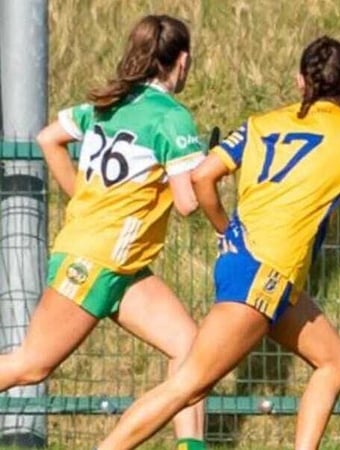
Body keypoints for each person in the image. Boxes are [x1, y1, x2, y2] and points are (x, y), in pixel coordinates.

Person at [96, 35, 340, 450]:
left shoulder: (260, 124)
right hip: (265, 274)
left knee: (335, 362)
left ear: (300, 80)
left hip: (256, 268)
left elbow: (203, 176)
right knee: (188, 386)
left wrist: (223, 227)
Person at [0, 14, 208, 450]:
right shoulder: (171, 118)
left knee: (191, 350)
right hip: (97, 259)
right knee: (31, 365)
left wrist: (80, 195)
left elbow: (48, 138)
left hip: (120, 261)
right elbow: (189, 203)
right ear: (182, 62)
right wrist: (215, 172)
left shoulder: (108, 103)